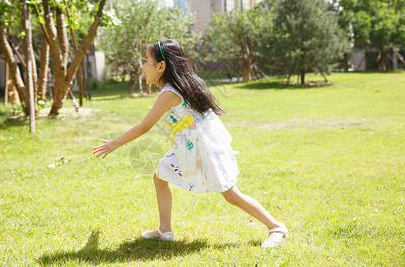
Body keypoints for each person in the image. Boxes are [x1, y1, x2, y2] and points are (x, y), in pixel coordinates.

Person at [92, 39, 288, 248]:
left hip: (203, 148)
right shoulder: (179, 85)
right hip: (190, 146)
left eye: (146, 60)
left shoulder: (169, 92)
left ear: (161, 66)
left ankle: (276, 227)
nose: (142, 66)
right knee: (160, 177)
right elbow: (188, 116)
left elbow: (144, 127)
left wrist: (114, 143)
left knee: (230, 193)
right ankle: (165, 230)